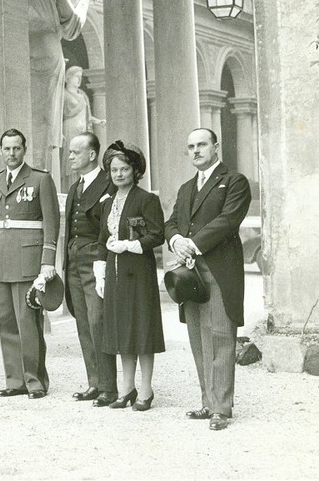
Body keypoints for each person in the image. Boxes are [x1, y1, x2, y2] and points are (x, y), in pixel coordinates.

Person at [165, 128, 251, 431]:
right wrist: (175, 239)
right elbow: (172, 221)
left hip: (218, 267)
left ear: (216, 146)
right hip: (189, 269)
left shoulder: (234, 181)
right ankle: (207, 401)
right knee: (198, 337)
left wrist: (193, 243)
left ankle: (221, 408)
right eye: (190, 146)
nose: (196, 150)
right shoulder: (187, 187)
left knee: (220, 336)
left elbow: (228, 220)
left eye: (202, 144)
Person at [0, 129, 60, 399]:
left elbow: (51, 224)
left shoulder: (40, 179)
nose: (11, 154)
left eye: (16, 148)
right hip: (2, 259)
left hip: (28, 260)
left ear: (24, 149)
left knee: (28, 322)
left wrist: (47, 262)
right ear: (1, 150)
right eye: (6, 149)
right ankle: (14, 380)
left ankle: (35, 381)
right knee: (6, 322)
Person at [94, 141, 165, 412]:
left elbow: (157, 234)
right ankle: (127, 389)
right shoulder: (108, 203)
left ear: (135, 171)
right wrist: (100, 269)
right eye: (114, 170)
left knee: (142, 330)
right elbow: (103, 239)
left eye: (124, 169)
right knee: (123, 330)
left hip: (139, 273)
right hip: (114, 273)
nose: (119, 174)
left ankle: (146, 389)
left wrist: (131, 245)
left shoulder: (147, 199)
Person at [25, 0, 98, 178]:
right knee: (45, 120)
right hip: (46, 49)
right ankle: (41, 178)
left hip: (16, 47)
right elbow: (72, 26)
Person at [62, 133, 118, 407]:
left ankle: (109, 387)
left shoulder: (109, 183)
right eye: (70, 152)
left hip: (95, 258)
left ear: (92, 155)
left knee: (98, 321)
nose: (70, 156)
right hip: (73, 260)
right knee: (83, 322)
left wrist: (102, 260)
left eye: (75, 152)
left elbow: (109, 226)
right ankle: (94, 382)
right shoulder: (75, 187)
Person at [61, 66, 106, 192]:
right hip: (69, 130)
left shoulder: (83, 95)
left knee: (86, 158)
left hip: (83, 132)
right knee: (72, 160)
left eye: (80, 77)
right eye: (76, 76)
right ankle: (70, 190)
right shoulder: (63, 94)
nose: (79, 79)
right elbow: (58, 115)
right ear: (68, 78)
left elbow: (88, 116)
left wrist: (99, 121)